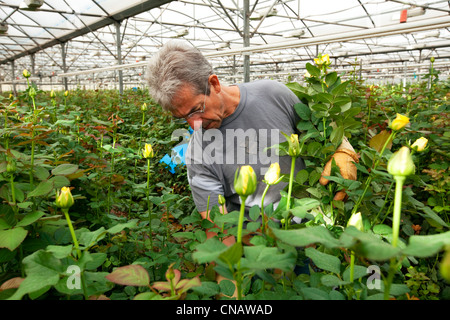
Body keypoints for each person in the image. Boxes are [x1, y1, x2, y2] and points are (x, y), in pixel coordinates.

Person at [146, 40, 358, 246]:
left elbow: (322, 132)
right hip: (256, 247)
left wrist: (345, 151)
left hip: (311, 232)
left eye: (196, 110)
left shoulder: (273, 95)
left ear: (214, 83)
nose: (193, 125)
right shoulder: (198, 152)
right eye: (182, 118)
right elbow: (217, 228)